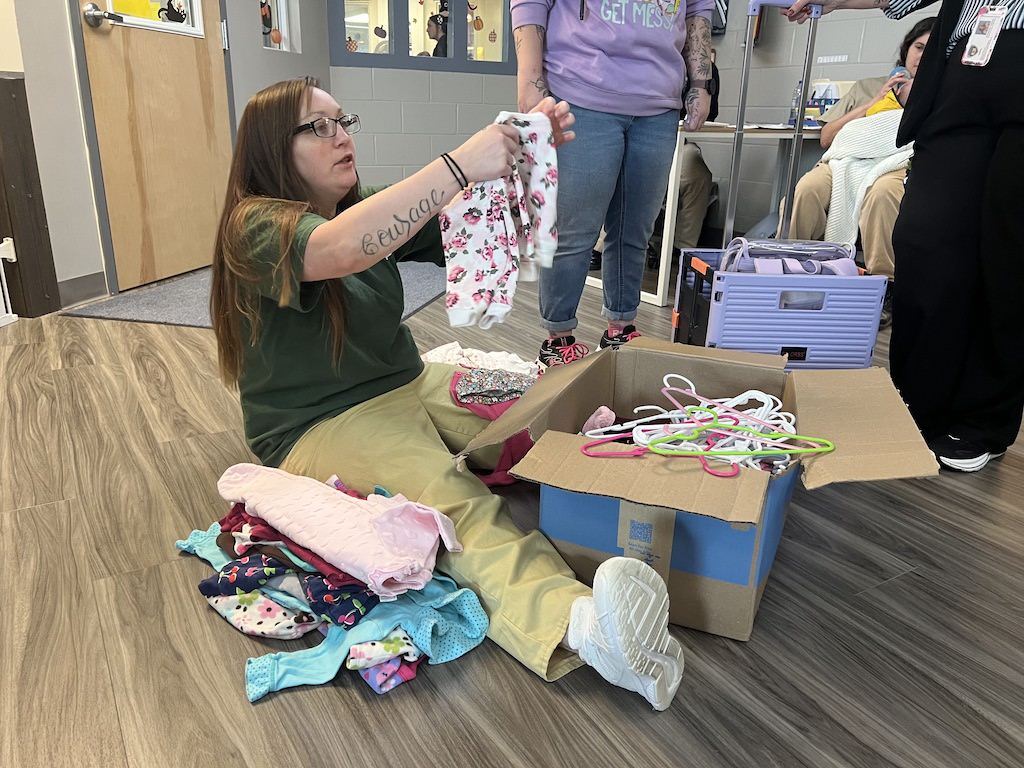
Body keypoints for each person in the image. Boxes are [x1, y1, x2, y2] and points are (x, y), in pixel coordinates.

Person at [209, 77, 686, 710]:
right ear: (272, 147)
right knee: (456, 509)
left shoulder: (359, 208)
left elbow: (487, 225)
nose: (342, 135)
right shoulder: (254, 225)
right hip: (323, 421)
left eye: (341, 120)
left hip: (411, 380)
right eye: (316, 127)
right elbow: (345, 248)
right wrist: (464, 160)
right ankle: (589, 629)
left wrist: (526, 151)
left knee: (548, 406)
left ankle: (667, 481)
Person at [785, 0, 1023, 473]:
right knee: (924, 240)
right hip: (960, 76)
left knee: (1008, 252)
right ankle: (918, 401)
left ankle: (983, 421)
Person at [512, 0, 715, 366]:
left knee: (635, 229)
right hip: (581, 90)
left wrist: (701, 81)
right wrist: (529, 78)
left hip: (659, 102)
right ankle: (557, 340)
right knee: (576, 229)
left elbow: (698, 8)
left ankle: (621, 329)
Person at [783, 18, 934, 328]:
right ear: (907, 49)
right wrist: (875, 101)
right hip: (846, 160)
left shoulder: (941, 93)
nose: (921, 55)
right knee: (809, 186)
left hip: (895, 164)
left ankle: (883, 286)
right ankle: (798, 269)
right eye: (918, 47)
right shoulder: (867, 86)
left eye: (930, 50)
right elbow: (827, 138)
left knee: (881, 193)